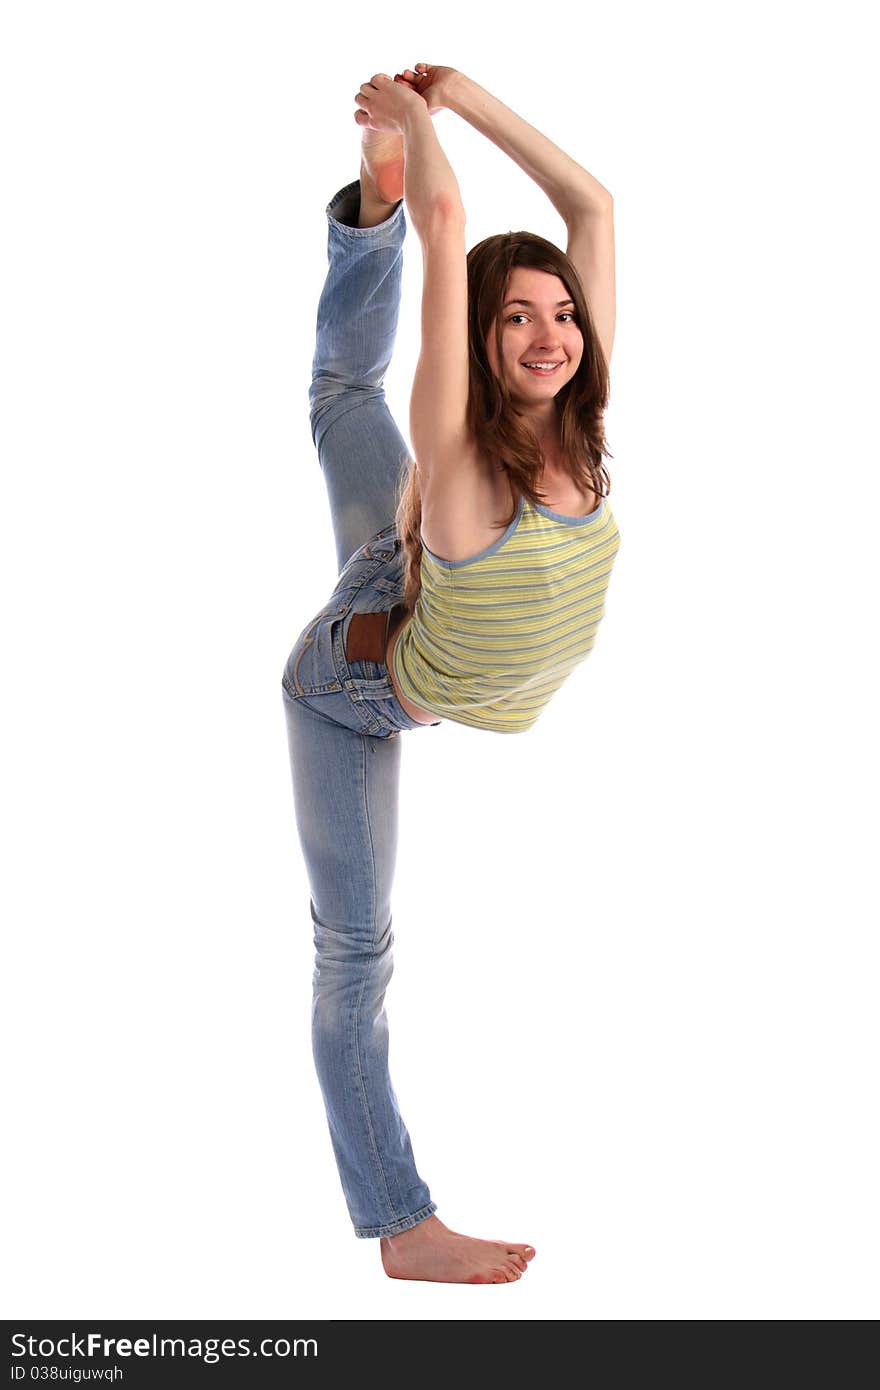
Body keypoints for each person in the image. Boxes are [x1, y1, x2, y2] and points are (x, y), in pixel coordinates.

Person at [281, 64, 620, 1283]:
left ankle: (351, 207)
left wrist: (465, 100)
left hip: (403, 568)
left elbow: (593, 209)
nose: (550, 335)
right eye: (517, 317)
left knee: (335, 392)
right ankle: (399, 1222)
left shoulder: (573, 427)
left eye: (561, 315)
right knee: (354, 953)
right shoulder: (466, 463)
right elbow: (452, 227)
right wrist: (422, 137)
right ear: (481, 342)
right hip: (352, 683)